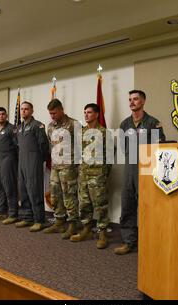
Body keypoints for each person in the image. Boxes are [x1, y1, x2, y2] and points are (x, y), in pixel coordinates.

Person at [115, 90, 166, 255]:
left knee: (148, 205)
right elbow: (123, 148)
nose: (132, 102)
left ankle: (150, 241)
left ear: (143, 101)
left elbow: (160, 146)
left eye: (135, 99)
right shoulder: (125, 124)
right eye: (130, 99)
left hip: (147, 166)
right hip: (130, 167)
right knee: (128, 203)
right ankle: (129, 241)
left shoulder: (153, 122)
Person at [70, 103, 112, 249]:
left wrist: (103, 174)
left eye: (89, 112)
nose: (86, 115)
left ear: (96, 114)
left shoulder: (104, 133)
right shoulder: (81, 132)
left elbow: (110, 157)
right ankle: (86, 229)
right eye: (85, 112)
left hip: (97, 175)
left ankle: (102, 233)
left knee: (100, 206)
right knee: (84, 204)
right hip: (83, 174)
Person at [43, 99, 80, 239]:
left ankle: (72, 224)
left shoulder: (73, 124)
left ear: (61, 109)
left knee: (69, 195)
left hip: (68, 166)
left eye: (54, 113)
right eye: (50, 113)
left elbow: (80, 145)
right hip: (55, 166)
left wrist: (77, 165)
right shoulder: (50, 126)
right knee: (55, 194)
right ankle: (59, 221)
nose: (52, 116)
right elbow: (50, 145)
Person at [14, 101, 49, 232]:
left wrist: (38, 160)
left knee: (34, 191)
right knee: (23, 190)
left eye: (26, 109)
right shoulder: (18, 128)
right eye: (22, 109)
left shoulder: (37, 125)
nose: (23, 111)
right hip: (22, 162)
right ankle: (27, 217)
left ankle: (39, 220)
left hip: (33, 161)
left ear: (32, 111)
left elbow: (44, 145)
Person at [0, 107, 19, 223]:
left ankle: (13, 214)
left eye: (3, 114)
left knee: (9, 186)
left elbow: (17, 147)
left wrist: (15, 162)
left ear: (6, 116)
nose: (1, 116)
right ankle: (1, 212)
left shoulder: (12, 129)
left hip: (8, 159)